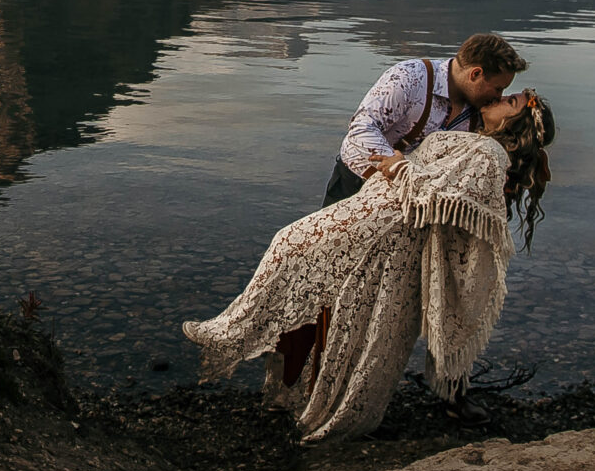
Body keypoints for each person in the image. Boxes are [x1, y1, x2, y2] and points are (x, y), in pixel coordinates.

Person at [182, 88, 556, 445]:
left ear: (516, 125)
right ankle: (257, 354)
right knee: (315, 277)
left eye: (510, 101)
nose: (499, 98)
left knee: (348, 309)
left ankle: (242, 342)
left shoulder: (490, 153)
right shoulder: (476, 138)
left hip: (386, 230)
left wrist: (401, 167)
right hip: (375, 220)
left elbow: (443, 197)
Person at [325, 34, 528, 208]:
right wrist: (400, 168)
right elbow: (361, 128)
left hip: (408, 201)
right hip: (354, 182)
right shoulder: (410, 76)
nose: (499, 96)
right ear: (475, 74)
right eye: (498, 88)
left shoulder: (480, 111)